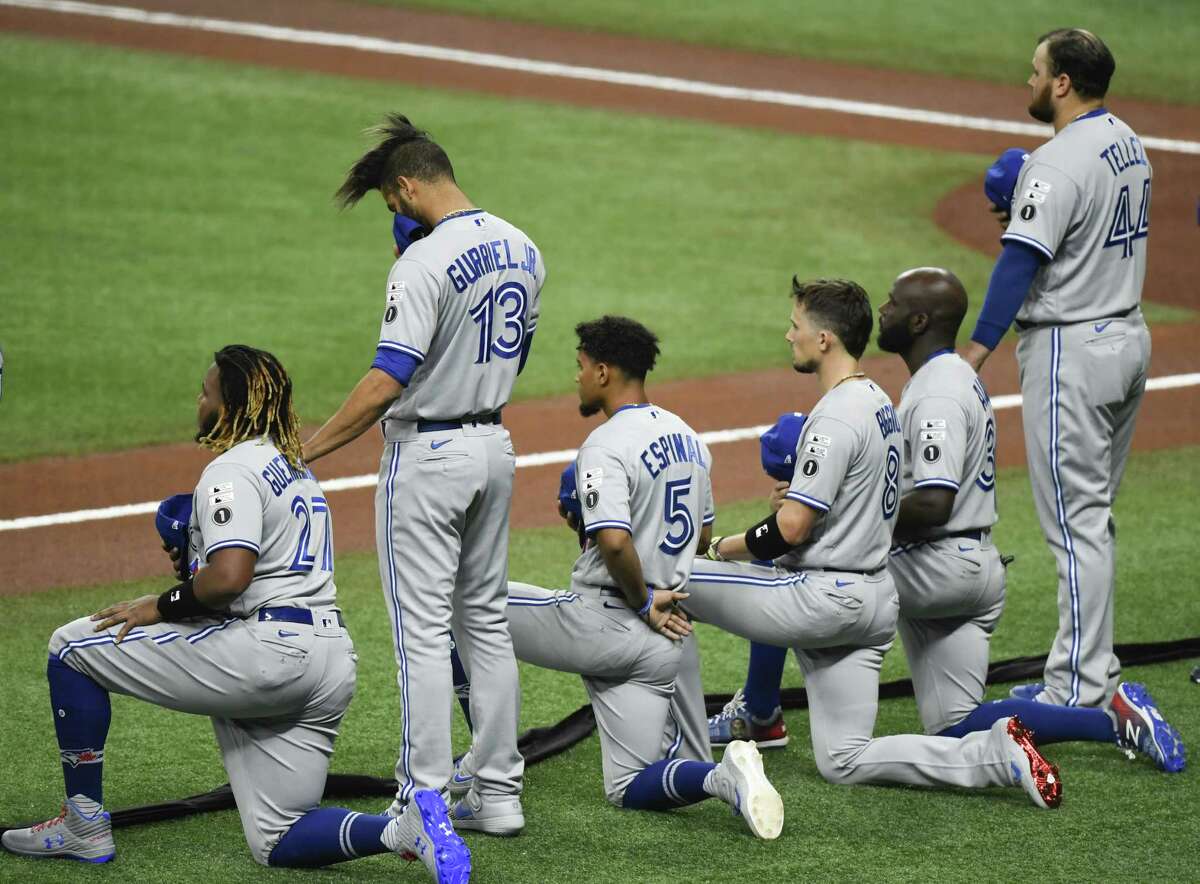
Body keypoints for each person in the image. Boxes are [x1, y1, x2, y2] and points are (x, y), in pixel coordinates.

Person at [1, 346, 470, 881]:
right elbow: (246, 575)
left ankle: (83, 825)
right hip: (330, 661)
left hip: (268, 655)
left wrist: (160, 604)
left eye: (206, 392)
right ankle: (400, 830)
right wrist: (191, 564)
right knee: (278, 837)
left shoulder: (229, 470)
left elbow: (228, 579)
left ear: (227, 407)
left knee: (71, 648)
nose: (198, 400)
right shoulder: (295, 470)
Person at [711, 269, 1185, 774]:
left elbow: (935, 503)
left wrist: (839, 509)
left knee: (791, 566)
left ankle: (759, 715)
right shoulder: (951, 378)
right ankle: (1113, 719)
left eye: (893, 304)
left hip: (941, 564)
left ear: (918, 321)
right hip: (968, 564)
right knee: (959, 726)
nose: (883, 312)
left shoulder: (937, 392)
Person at [678, 277, 1063, 808]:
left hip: (824, 602)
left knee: (668, 581)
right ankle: (994, 755)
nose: (788, 335)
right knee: (845, 759)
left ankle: (681, 743)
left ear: (825, 340)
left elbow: (788, 531)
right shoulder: (880, 400)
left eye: (797, 326)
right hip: (874, 603)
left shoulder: (833, 415)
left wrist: (720, 547)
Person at [448, 316, 783, 839]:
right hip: (662, 642)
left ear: (604, 372)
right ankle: (722, 779)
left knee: (461, 605)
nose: (576, 378)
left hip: (609, 620)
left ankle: (484, 774)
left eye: (581, 368)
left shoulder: (604, 445)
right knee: (628, 783)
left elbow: (613, 540)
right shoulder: (691, 439)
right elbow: (700, 537)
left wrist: (643, 596)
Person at [302, 114, 544, 830]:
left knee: (423, 634)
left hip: (430, 458)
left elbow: (388, 379)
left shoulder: (423, 263)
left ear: (407, 184)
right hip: (495, 446)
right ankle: (498, 795)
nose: (394, 216)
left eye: (391, 201)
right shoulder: (525, 247)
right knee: (486, 627)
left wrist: (308, 448)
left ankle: (423, 800)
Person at [961, 30, 1153, 716]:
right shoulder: (1130, 141)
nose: (1029, 82)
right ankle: (1093, 666)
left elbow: (1021, 259)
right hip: (1128, 339)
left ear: (1063, 83)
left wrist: (975, 352)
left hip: (1072, 351)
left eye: (1036, 72)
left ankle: (1077, 687)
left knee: (1075, 527)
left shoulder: (1055, 161)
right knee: (1093, 521)